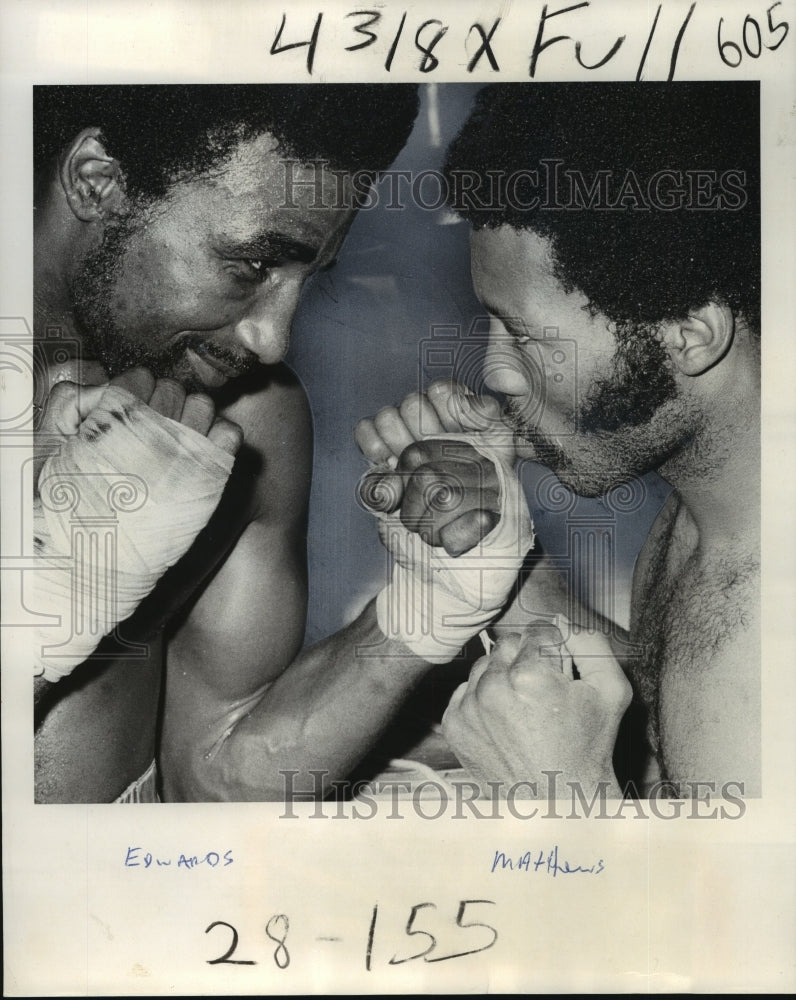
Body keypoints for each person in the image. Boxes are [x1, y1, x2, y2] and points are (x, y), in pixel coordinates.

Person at [33, 83, 484, 804]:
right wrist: (51, 594)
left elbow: (211, 780)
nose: (272, 339)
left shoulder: (251, 424)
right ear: (98, 182)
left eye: (309, 276)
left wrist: (419, 616)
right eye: (250, 266)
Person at [356, 83, 761, 798]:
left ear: (690, 335)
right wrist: (501, 565)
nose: (493, 371)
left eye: (528, 337)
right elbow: (681, 712)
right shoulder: (708, 504)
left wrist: (561, 797)